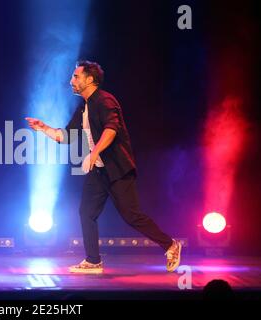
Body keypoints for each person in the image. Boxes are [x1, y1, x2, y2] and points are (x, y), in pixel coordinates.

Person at [25, 60, 181, 274]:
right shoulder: (84, 108)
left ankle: (170, 245)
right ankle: (93, 261)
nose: (71, 81)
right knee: (86, 213)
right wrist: (43, 128)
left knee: (131, 216)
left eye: (76, 77)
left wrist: (94, 153)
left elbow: (111, 130)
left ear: (90, 79)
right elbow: (65, 136)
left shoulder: (105, 100)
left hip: (117, 169)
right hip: (99, 171)